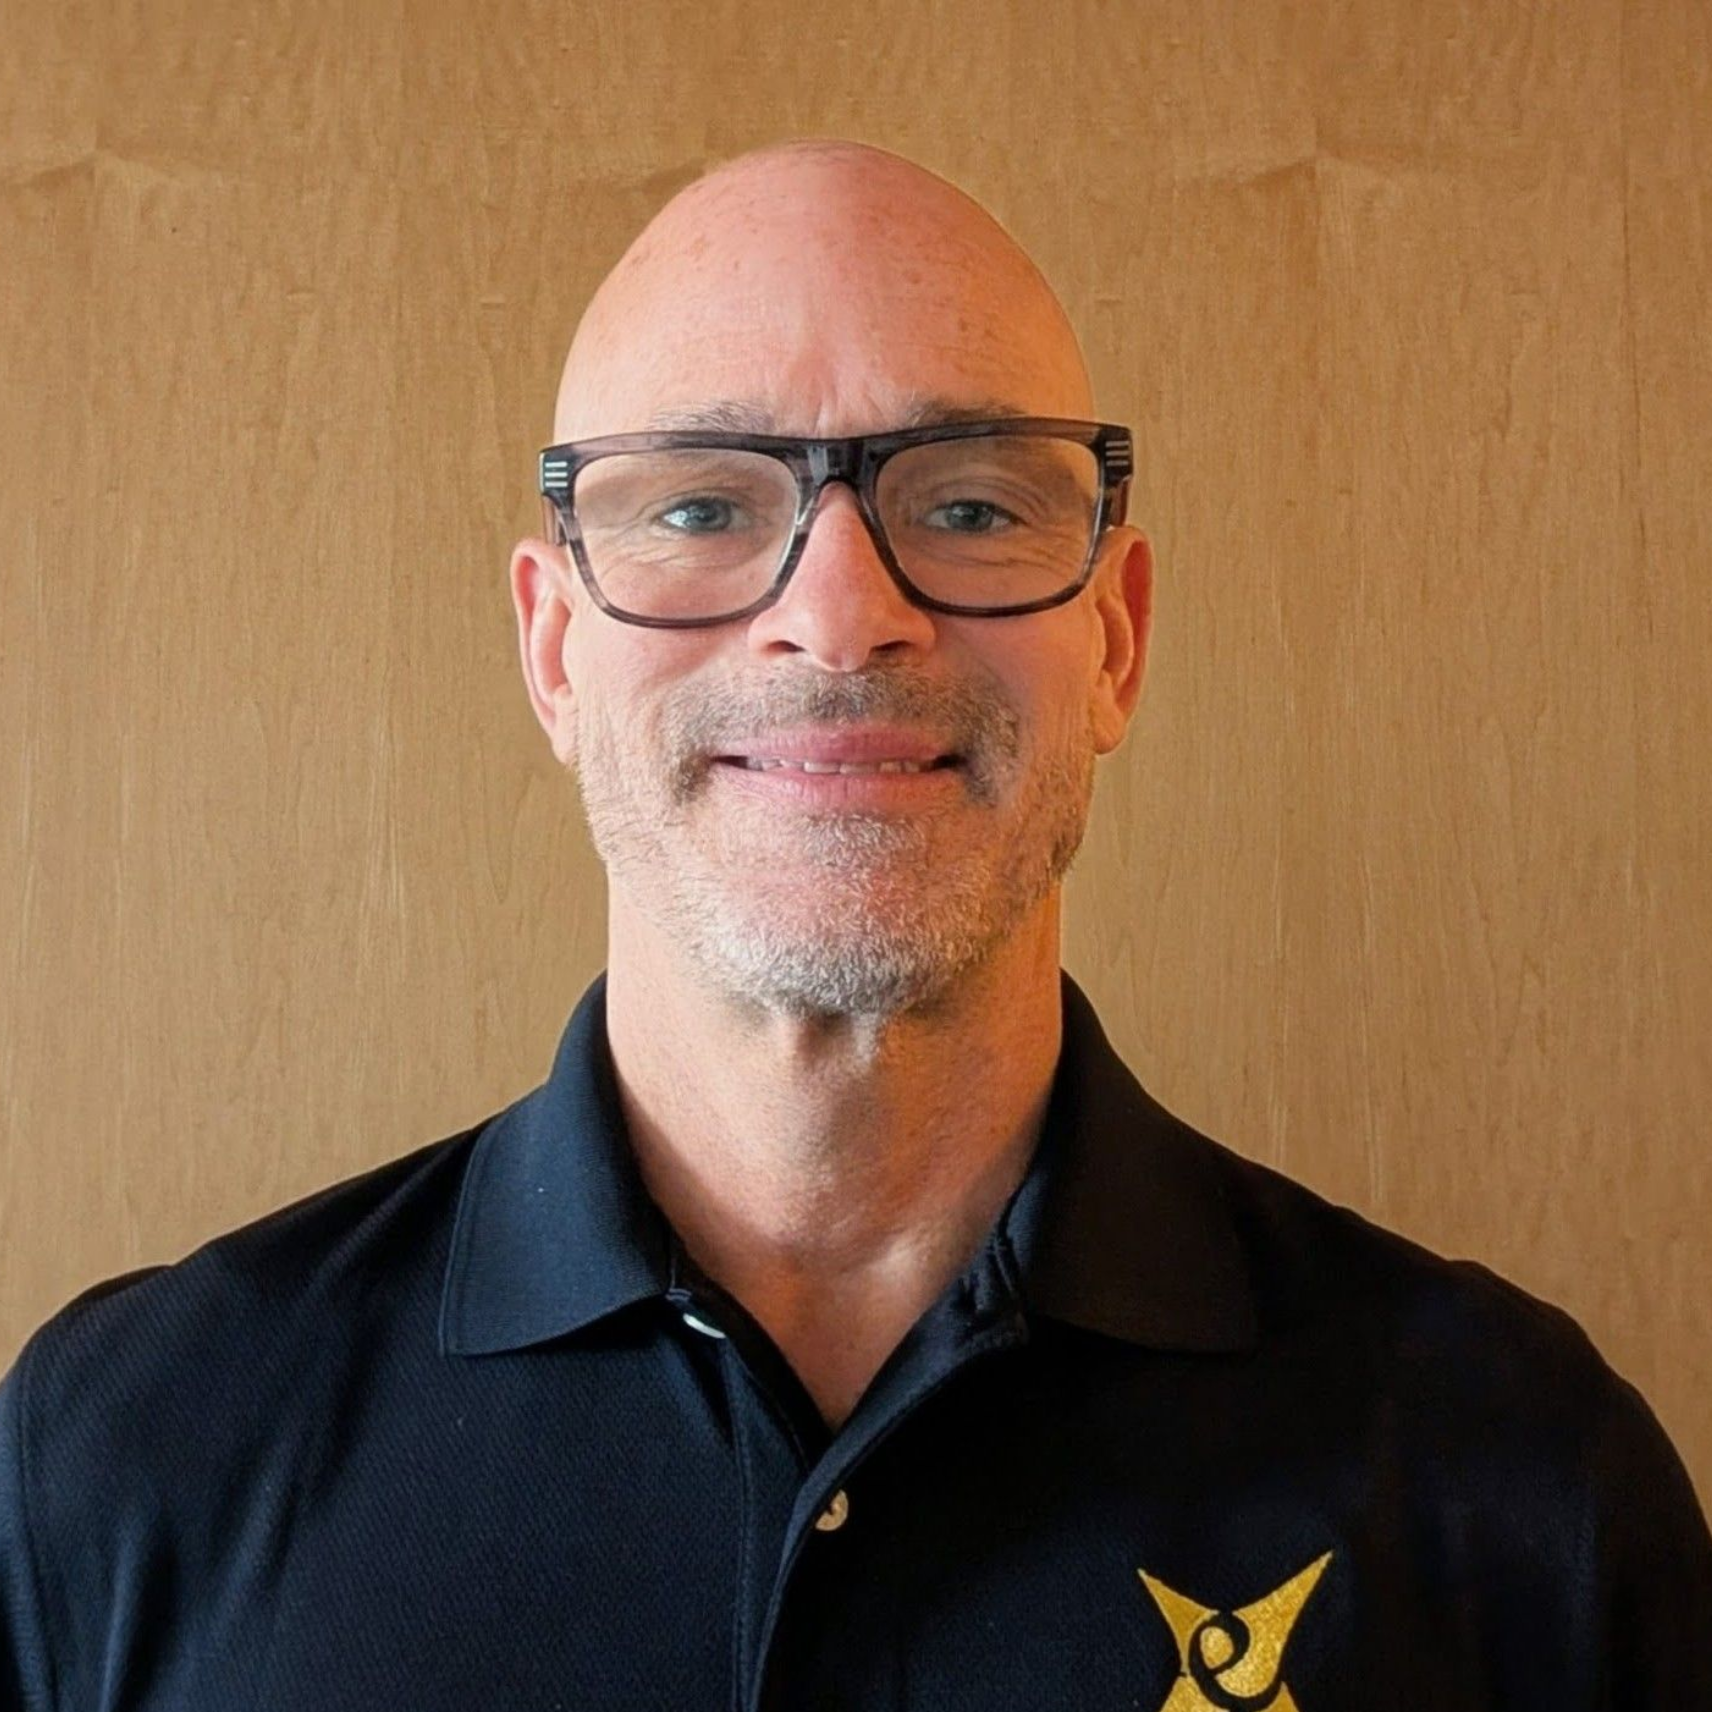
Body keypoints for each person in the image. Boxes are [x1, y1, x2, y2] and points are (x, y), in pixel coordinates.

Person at [2, 140, 1708, 1712]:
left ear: (1114, 641)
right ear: (552, 649)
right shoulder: (131, 1459)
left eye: (969, 504)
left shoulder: (1523, 1484)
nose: (837, 614)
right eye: (698, 506)